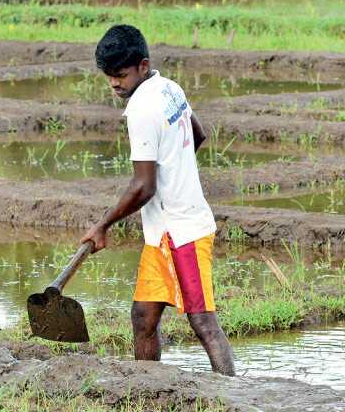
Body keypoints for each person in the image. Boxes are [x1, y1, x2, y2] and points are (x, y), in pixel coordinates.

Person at [81, 24, 235, 376]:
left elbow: (144, 186)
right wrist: (176, 170)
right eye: (109, 76)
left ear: (142, 65)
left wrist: (102, 225)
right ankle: (146, 388)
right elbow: (198, 134)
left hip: (183, 230)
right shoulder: (169, 88)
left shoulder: (142, 109)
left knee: (203, 322)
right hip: (163, 231)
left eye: (121, 75)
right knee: (143, 317)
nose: (114, 83)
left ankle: (235, 396)